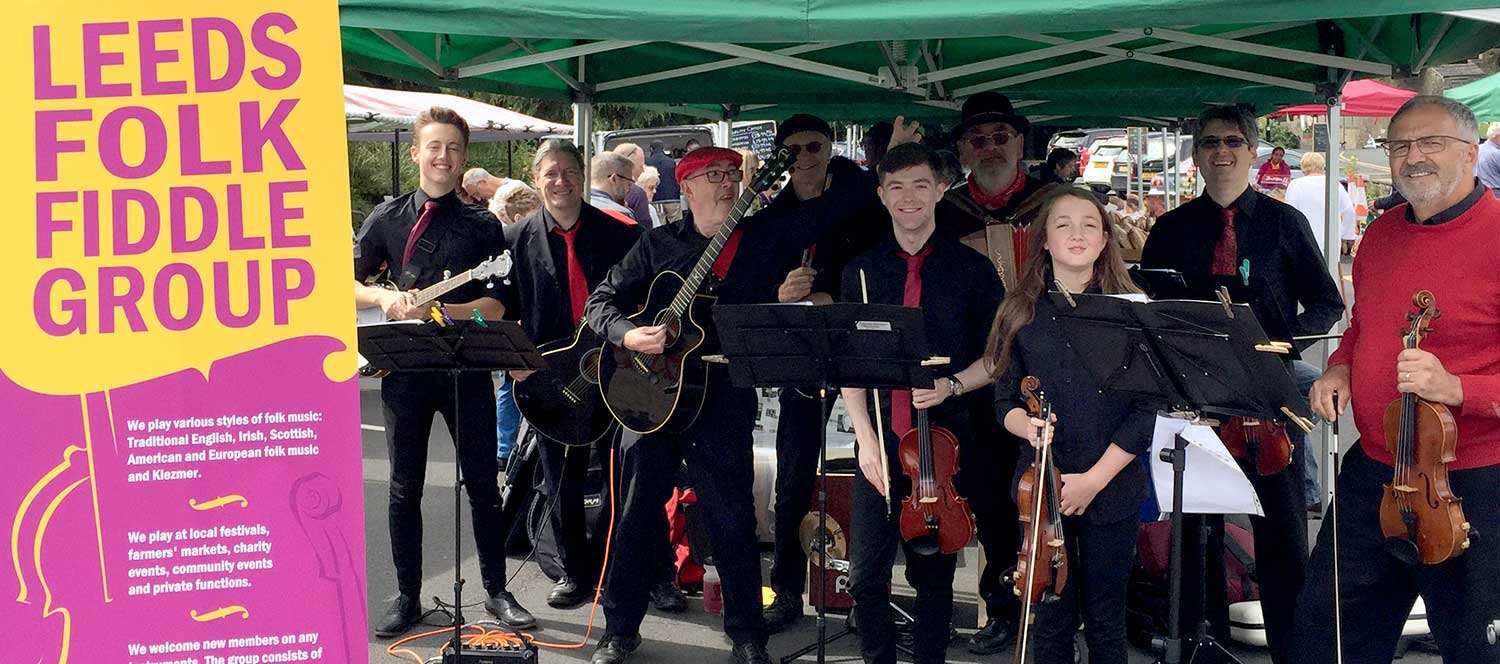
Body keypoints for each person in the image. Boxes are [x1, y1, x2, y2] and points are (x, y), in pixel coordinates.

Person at [584, 147, 862, 664]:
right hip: (647, 397)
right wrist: (629, 334)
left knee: (732, 518)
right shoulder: (656, 243)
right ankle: (619, 629)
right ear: (685, 188)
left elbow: (833, 222)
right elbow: (600, 302)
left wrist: (786, 298)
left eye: (732, 175)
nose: (726, 183)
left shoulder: (762, 240)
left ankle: (748, 636)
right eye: (712, 176)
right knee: (636, 516)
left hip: (722, 394)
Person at [1294, 95, 1500, 664]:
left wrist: (1460, 389)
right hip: (1379, 469)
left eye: (1430, 142)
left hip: (1475, 481)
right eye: (1400, 145)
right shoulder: (1382, 233)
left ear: (1470, 150)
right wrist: (1340, 366)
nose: (1413, 157)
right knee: (1328, 630)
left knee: (1472, 643)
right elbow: (1365, 324)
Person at [1139, 105, 1343, 664]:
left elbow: (1327, 303)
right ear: (1198, 154)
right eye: (1209, 143)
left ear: (1254, 151)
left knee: (1278, 533)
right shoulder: (1172, 228)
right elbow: (1152, 307)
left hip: (1266, 402)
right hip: (1196, 402)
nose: (1221, 152)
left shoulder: (1284, 223)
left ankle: (1292, 651)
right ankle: (1202, 648)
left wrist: (1281, 342)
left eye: (1232, 141)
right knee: (1194, 533)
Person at [352, 106, 535, 637]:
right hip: (404, 370)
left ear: (463, 160)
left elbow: (498, 307)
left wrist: (446, 312)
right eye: (434, 146)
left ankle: (497, 592)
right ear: (416, 153)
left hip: (464, 368)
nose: (443, 156)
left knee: (482, 483)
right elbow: (346, 282)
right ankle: (407, 595)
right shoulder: (386, 219)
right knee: (404, 486)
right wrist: (384, 298)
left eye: (454, 148)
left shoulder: (482, 227)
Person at [840, 142, 1003, 664]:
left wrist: (953, 385)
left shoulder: (972, 270)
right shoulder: (860, 272)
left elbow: (997, 358)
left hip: (945, 444)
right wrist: (865, 439)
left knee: (931, 578)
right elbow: (850, 367)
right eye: (896, 187)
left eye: (918, 185)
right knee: (865, 579)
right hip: (883, 442)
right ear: (882, 196)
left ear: (938, 189)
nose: (908, 198)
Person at [988, 187, 1155, 664]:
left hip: (1111, 484)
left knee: (1106, 621)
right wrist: (1028, 428)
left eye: (1089, 225)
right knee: (1052, 618)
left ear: (1106, 240)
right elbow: (1004, 398)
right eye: (1063, 224)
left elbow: (1146, 410)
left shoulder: (1133, 310)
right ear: (1044, 240)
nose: (1076, 234)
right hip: (1040, 488)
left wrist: (1094, 482)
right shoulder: (1019, 312)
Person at [498, 139, 645, 609]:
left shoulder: (620, 233)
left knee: (620, 475)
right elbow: (504, 310)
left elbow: (641, 300)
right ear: (536, 177)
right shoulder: (515, 238)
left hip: (615, 370)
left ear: (583, 177)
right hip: (552, 380)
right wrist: (510, 357)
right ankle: (574, 572)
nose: (559, 181)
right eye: (550, 173)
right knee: (560, 477)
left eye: (568, 172)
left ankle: (616, 566)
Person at [762, 113, 894, 633]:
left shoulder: (861, 191)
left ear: (831, 146)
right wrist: (781, 294)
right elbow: (762, 276)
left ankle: (869, 594)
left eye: (813, 146)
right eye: (791, 151)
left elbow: (881, 261)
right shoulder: (775, 212)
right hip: (806, 352)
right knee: (792, 476)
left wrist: (830, 295)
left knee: (879, 467)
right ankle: (788, 588)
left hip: (861, 342)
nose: (804, 158)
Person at [935, 90, 1050, 655]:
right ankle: (1002, 606)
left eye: (1000, 137)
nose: (990, 147)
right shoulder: (946, 211)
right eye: (977, 139)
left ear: (1021, 144)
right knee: (993, 497)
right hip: (978, 377)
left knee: (1053, 492)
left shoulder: (1055, 202)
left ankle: (1056, 607)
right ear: (962, 149)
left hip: (1048, 369)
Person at [1282, 152, 1356, 257]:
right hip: (1331, 241)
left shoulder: (1295, 185)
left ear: (1303, 167)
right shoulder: (1334, 184)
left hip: (1304, 241)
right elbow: (1349, 211)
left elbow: (1289, 214)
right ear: (1322, 165)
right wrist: (1346, 235)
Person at [589, 152, 642, 225]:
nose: (629, 190)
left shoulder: (572, 209)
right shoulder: (621, 215)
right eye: (629, 184)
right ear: (614, 179)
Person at [613, 142, 659, 223]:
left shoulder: (599, 189)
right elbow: (645, 229)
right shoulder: (637, 194)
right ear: (629, 166)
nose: (643, 170)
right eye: (641, 166)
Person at [645, 140, 682, 222]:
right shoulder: (671, 162)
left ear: (651, 149)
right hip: (672, 198)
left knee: (660, 225)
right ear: (663, 148)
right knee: (677, 223)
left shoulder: (647, 163)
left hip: (656, 200)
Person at [1476, 122, 1500, 194]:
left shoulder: (1478, 149)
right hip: (1496, 192)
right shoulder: (1496, 153)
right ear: (1496, 136)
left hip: (1480, 191)